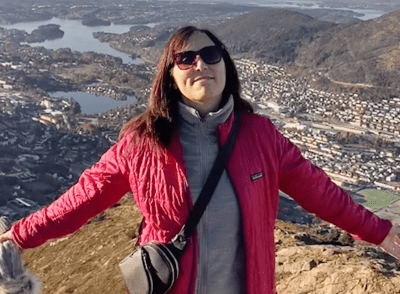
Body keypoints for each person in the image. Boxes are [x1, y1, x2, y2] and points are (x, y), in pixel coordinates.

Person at [1, 25, 400, 293]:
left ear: (226, 64)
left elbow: (319, 192)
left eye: (210, 54)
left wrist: (380, 232)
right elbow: (83, 199)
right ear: (169, 75)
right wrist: (19, 236)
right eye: (185, 59)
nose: (200, 64)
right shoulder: (143, 141)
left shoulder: (260, 135)